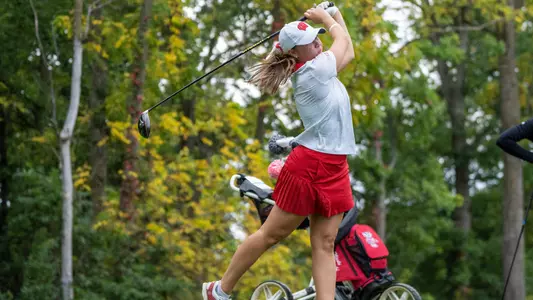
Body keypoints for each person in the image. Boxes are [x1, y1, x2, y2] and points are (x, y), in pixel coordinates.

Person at [202, 3, 356, 300]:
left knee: (325, 243)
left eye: (317, 36)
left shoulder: (321, 66)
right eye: (309, 42)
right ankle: (219, 290)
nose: (316, 41)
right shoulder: (313, 72)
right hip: (308, 167)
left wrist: (336, 16)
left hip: (335, 167)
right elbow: (343, 43)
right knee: (272, 234)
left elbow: (347, 51)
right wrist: (327, 18)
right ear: (295, 54)